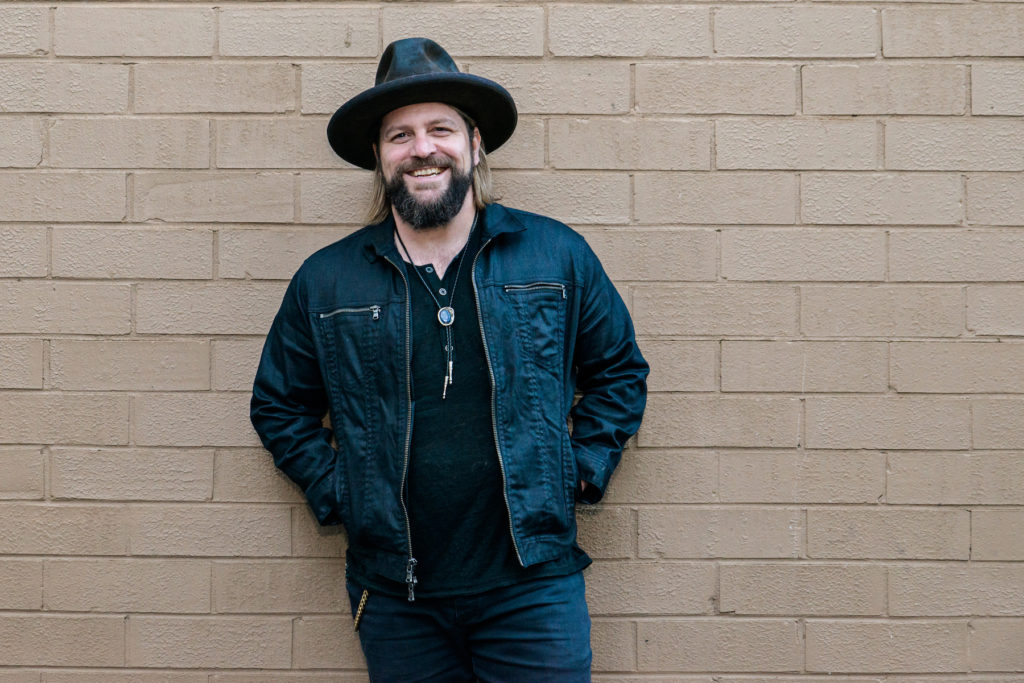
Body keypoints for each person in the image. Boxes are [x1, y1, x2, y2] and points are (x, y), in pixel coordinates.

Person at [251, 37, 648, 682]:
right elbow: (278, 405)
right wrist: (340, 492)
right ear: (380, 158)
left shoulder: (554, 256)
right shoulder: (328, 281)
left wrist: (576, 468)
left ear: (474, 143)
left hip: (533, 588)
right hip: (398, 595)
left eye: (440, 128)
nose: (422, 149)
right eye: (399, 135)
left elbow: (619, 372)